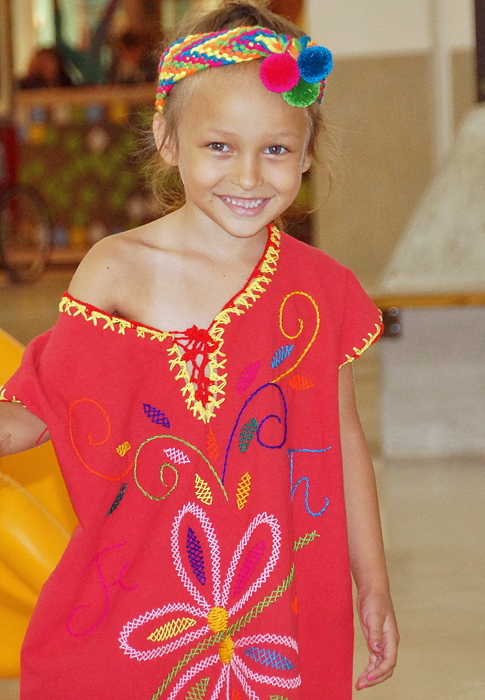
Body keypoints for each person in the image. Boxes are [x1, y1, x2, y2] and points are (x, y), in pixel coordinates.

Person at [0, 1, 399, 698]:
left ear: (305, 152)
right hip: (136, 605)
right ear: (167, 139)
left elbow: (342, 437)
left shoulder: (319, 290)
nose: (248, 176)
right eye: (219, 146)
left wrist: (371, 579)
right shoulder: (115, 270)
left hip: (278, 609)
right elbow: (36, 413)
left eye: (275, 149)